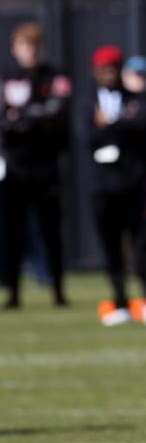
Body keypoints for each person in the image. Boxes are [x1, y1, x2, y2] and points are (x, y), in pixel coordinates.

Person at [88, 47, 146, 326]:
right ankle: (119, 300)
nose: (109, 74)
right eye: (104, 69)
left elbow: (144, 123)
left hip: (136, 184)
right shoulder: (88, 101)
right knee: (111, 245)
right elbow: (87, 135)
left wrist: (111, 123)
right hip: (103, 186)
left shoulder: (138, 98)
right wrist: (121, 123)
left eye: (113, 68)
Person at [1, 21, 70, 309]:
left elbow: (55, 113)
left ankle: (57, 290)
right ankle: (14, 292)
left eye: (34, 46)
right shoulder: (6, 77)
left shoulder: (54, 76)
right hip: (14, 167)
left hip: (45, 166)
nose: (29, 51)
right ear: (14, 48)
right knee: (11, 233)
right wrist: (26, 119)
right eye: (24, 46)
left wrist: (22, 117)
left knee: (51, 231)